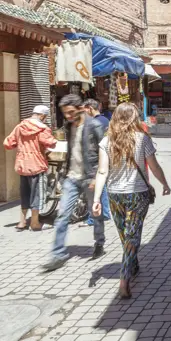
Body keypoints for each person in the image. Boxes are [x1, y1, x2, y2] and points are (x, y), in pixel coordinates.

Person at [92, 103, 171, 299]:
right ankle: (124, 278)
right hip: (138, 193)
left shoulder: (106, 141)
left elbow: (102, 171)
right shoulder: (142, 138)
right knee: (132, 235)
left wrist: (97, 198)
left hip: (114, 195)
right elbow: (153, 166)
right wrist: (164, 183)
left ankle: (132, 265)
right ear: (133, 118)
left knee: (125, 234)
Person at [43, 94, 106, 272]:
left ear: (80, 108)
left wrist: (97, 177)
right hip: (71, 177)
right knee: (62, 215)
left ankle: (99, 242)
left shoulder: (95, 125)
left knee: (95, 213)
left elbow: (104, 152)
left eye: (70, 112)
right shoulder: (69, 126)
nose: (68, 116)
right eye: (65, 113)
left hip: (90, 177)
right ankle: (58, 255)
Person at [3, 105, 57, 231]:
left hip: (22, 165)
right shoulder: (42, 128)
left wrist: (21, 145)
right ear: (42, 116)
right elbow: (51, 143)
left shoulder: (20, 126)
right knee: (37, 194)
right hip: (37, 165)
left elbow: (8, 143)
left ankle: (22, 222)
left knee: (25, 193)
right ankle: (34, 223)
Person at [82, 99, 112, 226]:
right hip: (103, 157)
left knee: (94, 188)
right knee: (102, 187)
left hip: (95, 158)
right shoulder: (105, 120)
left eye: (84, 110)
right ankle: (104, 212)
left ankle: (93, 217)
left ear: (89, 108)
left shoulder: (94, 122)